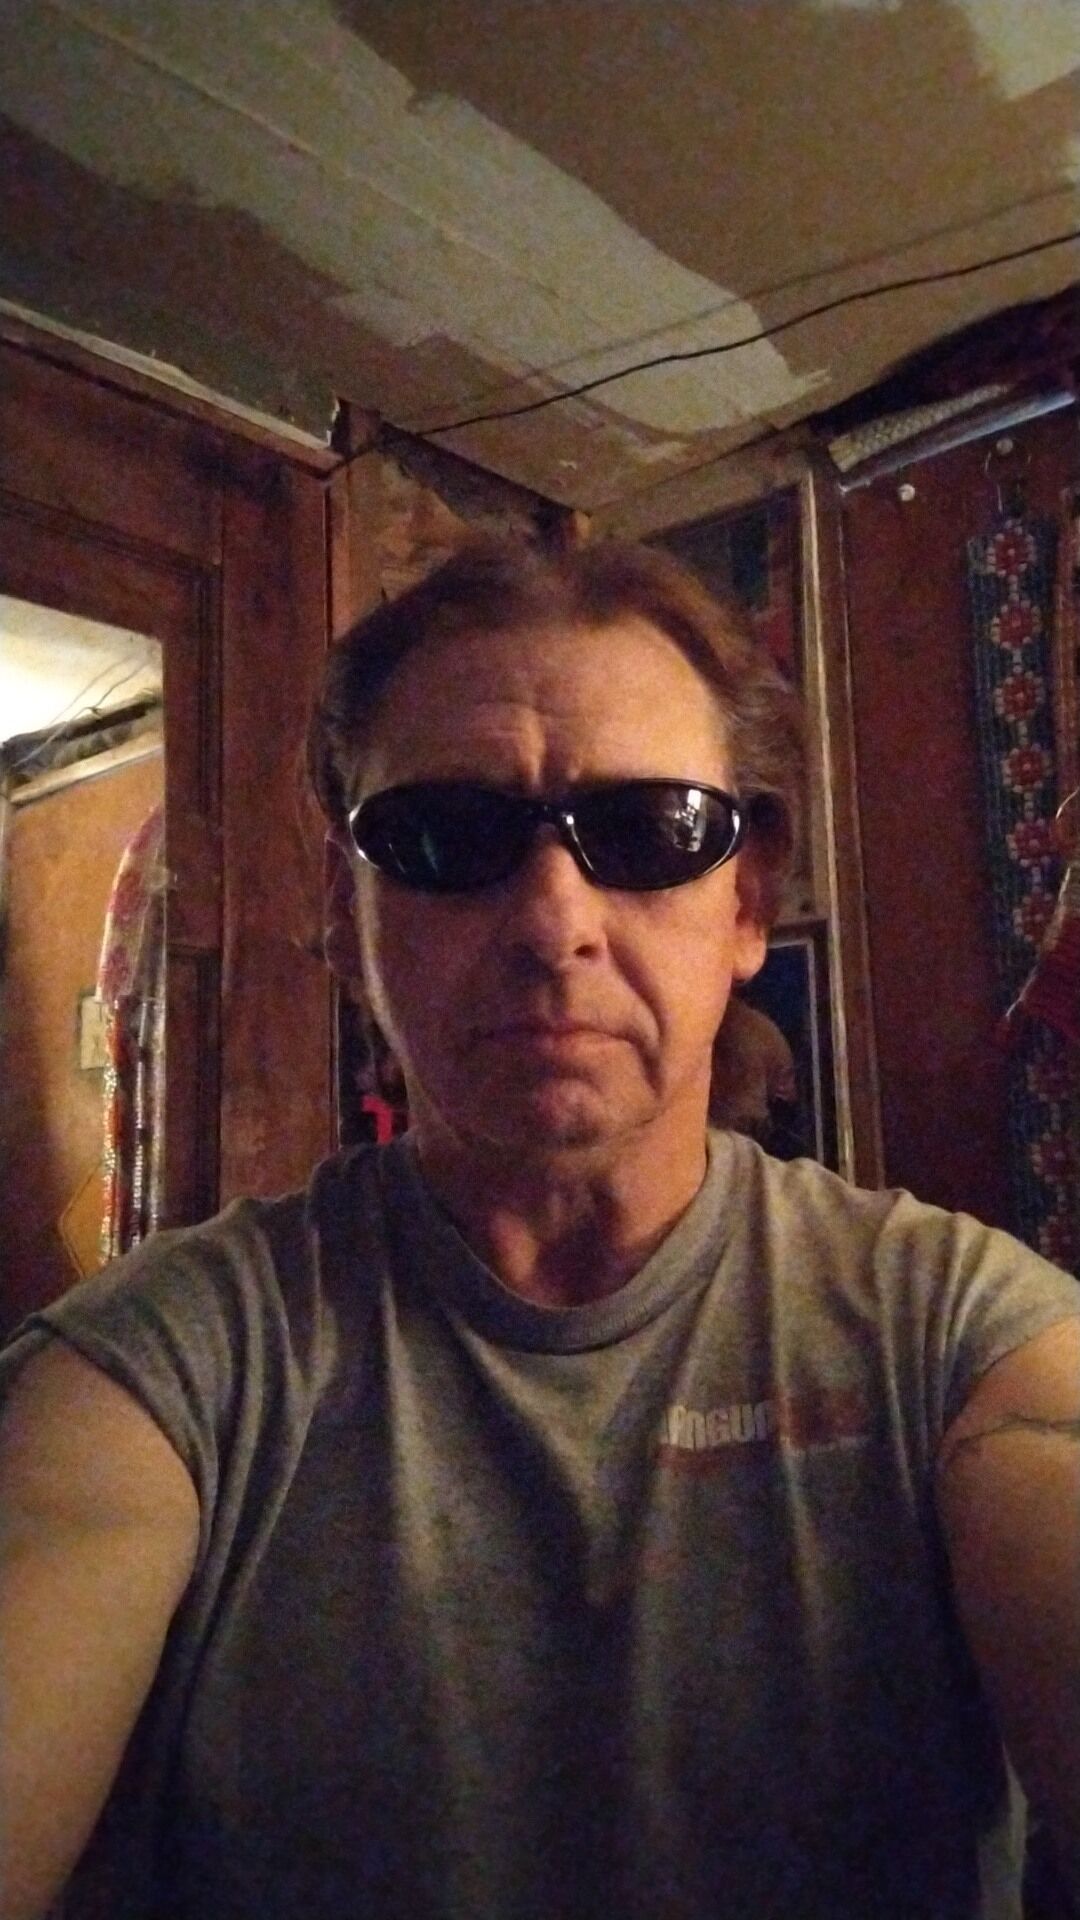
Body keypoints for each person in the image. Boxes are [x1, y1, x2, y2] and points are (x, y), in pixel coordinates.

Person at [1, 535, 1078, 1920]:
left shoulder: (954, 1336)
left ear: (747, 904)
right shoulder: (163, 1375)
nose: (552, 921)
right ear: (346, 912)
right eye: (446, 838)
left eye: (649, 832)